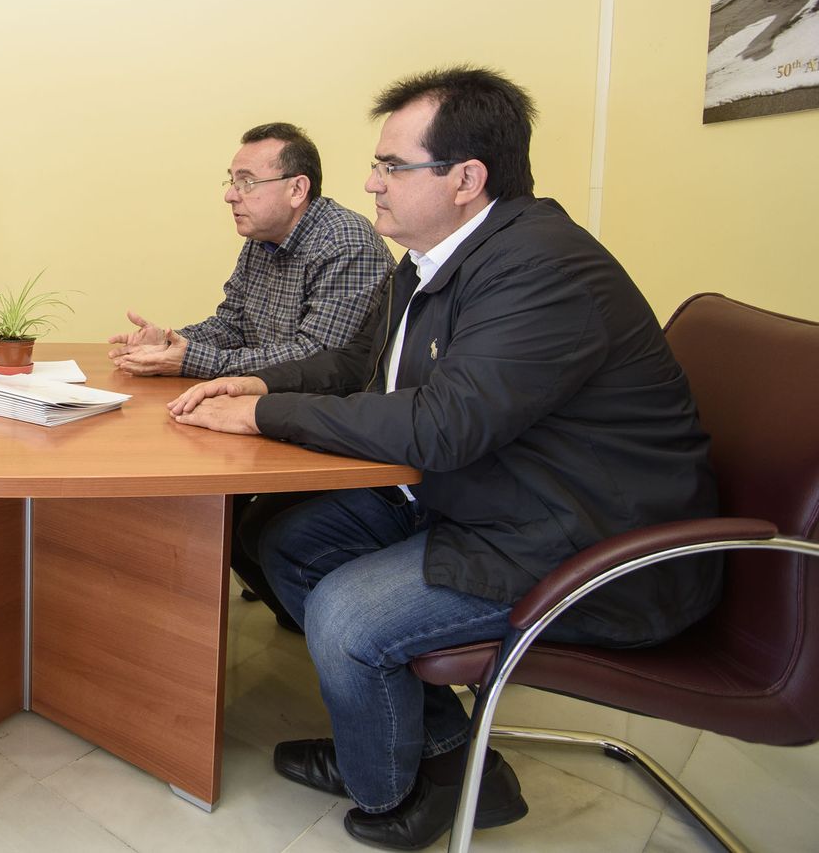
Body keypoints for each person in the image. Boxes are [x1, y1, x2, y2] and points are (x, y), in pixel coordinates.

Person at [167, 67, 719, 850]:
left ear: (466, 179)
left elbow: (441, 426)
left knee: (347, 614)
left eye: (392, 166)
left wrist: (262, 414)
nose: (370, 183)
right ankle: (446, 757)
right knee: (283, 540)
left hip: (590, 539)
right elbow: (354, 363)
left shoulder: (543, 270)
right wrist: (256, 383)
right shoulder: (436, 261)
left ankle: (388, 790)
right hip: (492, 495)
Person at [108, 123, 392, 629]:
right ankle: (289, 612)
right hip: (263, 413)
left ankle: (309, 621)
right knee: (213, 512)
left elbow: (318, 359)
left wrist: (190, 360)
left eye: (246, 182)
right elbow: (231, 325)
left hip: (328, 426)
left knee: (240, 526)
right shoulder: (261, 241)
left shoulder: (346, 242)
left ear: (297, 188)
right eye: (231, 180)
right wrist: (170, 342)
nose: (229, 195)